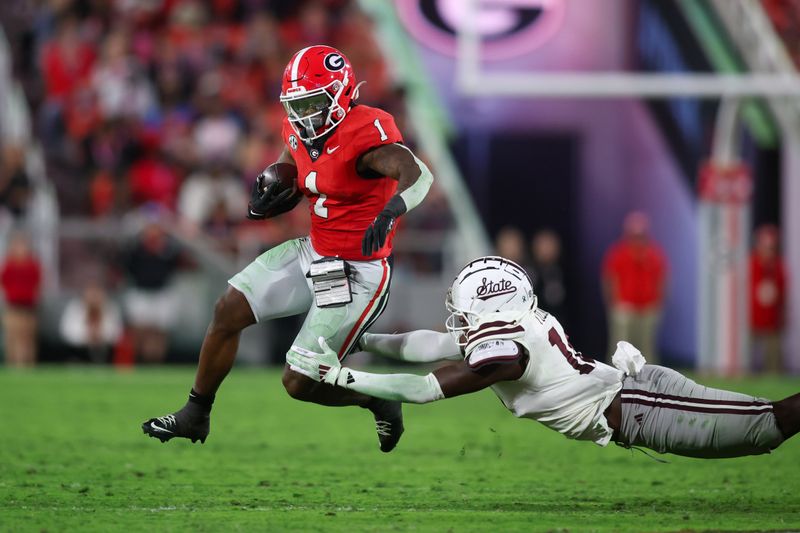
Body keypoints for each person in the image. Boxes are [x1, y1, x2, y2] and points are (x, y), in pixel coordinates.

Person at [142, 45, 434, 453]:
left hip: (357, 270)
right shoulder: (298, 130)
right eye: (298, 105)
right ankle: (196, 411)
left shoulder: (366, 132)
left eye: (314, 103)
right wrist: (272, 187)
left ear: (342, 95)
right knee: (229, 308)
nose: (304, 115)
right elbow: (292, 164)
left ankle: (376, 398)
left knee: (299, 382)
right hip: (313, 251)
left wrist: (391, 210)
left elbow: (417, 174)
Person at [288, 256, 797, 459]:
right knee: (765, 427)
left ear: (481, 303)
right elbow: (425, 345)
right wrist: (367, 337)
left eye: (461, 304)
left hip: (642, 407)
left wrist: (340, 373)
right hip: (636, 400)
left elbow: (423, 388)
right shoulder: (514, 325)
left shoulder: (503, 349)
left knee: (766, 427)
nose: (455, 315)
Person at [602, 211, 668, 363]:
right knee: (620, 346)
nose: (637, 240)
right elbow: (609, 280)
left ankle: (650, 380)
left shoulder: (654, 254)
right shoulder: (619, 253)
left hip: (648, 307)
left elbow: (662, 281)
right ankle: (615, 377)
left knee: (647, 347)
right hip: (624, 307)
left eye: (641, 236)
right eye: (634, 236)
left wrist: (657, 304)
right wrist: (615, 304)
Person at [0, 232, 42, 367]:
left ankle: (28, 365)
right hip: (13, 307)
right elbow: (4, 283)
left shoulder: (33, 265)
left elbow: (38, 284)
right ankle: (13, 364)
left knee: (27, 337)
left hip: (28, 308)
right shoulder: (9, 265)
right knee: (12, 336)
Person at [749, 225, 787, 373]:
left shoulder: (778, 266)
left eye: (771, 247)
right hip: (752, 319)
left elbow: (783, 294)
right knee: (747, 357)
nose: (768, 251)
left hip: (772, 321)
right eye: (765, 246)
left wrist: (783, 317)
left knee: (773, 359)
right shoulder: (751, 264)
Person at [59, 281, 123, 363]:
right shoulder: (75, 308)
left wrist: (100, 335)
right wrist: (88, 335)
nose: (94, 298)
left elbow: (117, 334)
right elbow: (67, 334)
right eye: (91, 294)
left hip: (106, 352)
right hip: (78, 352)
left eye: (97, 294)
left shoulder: (111, 308)